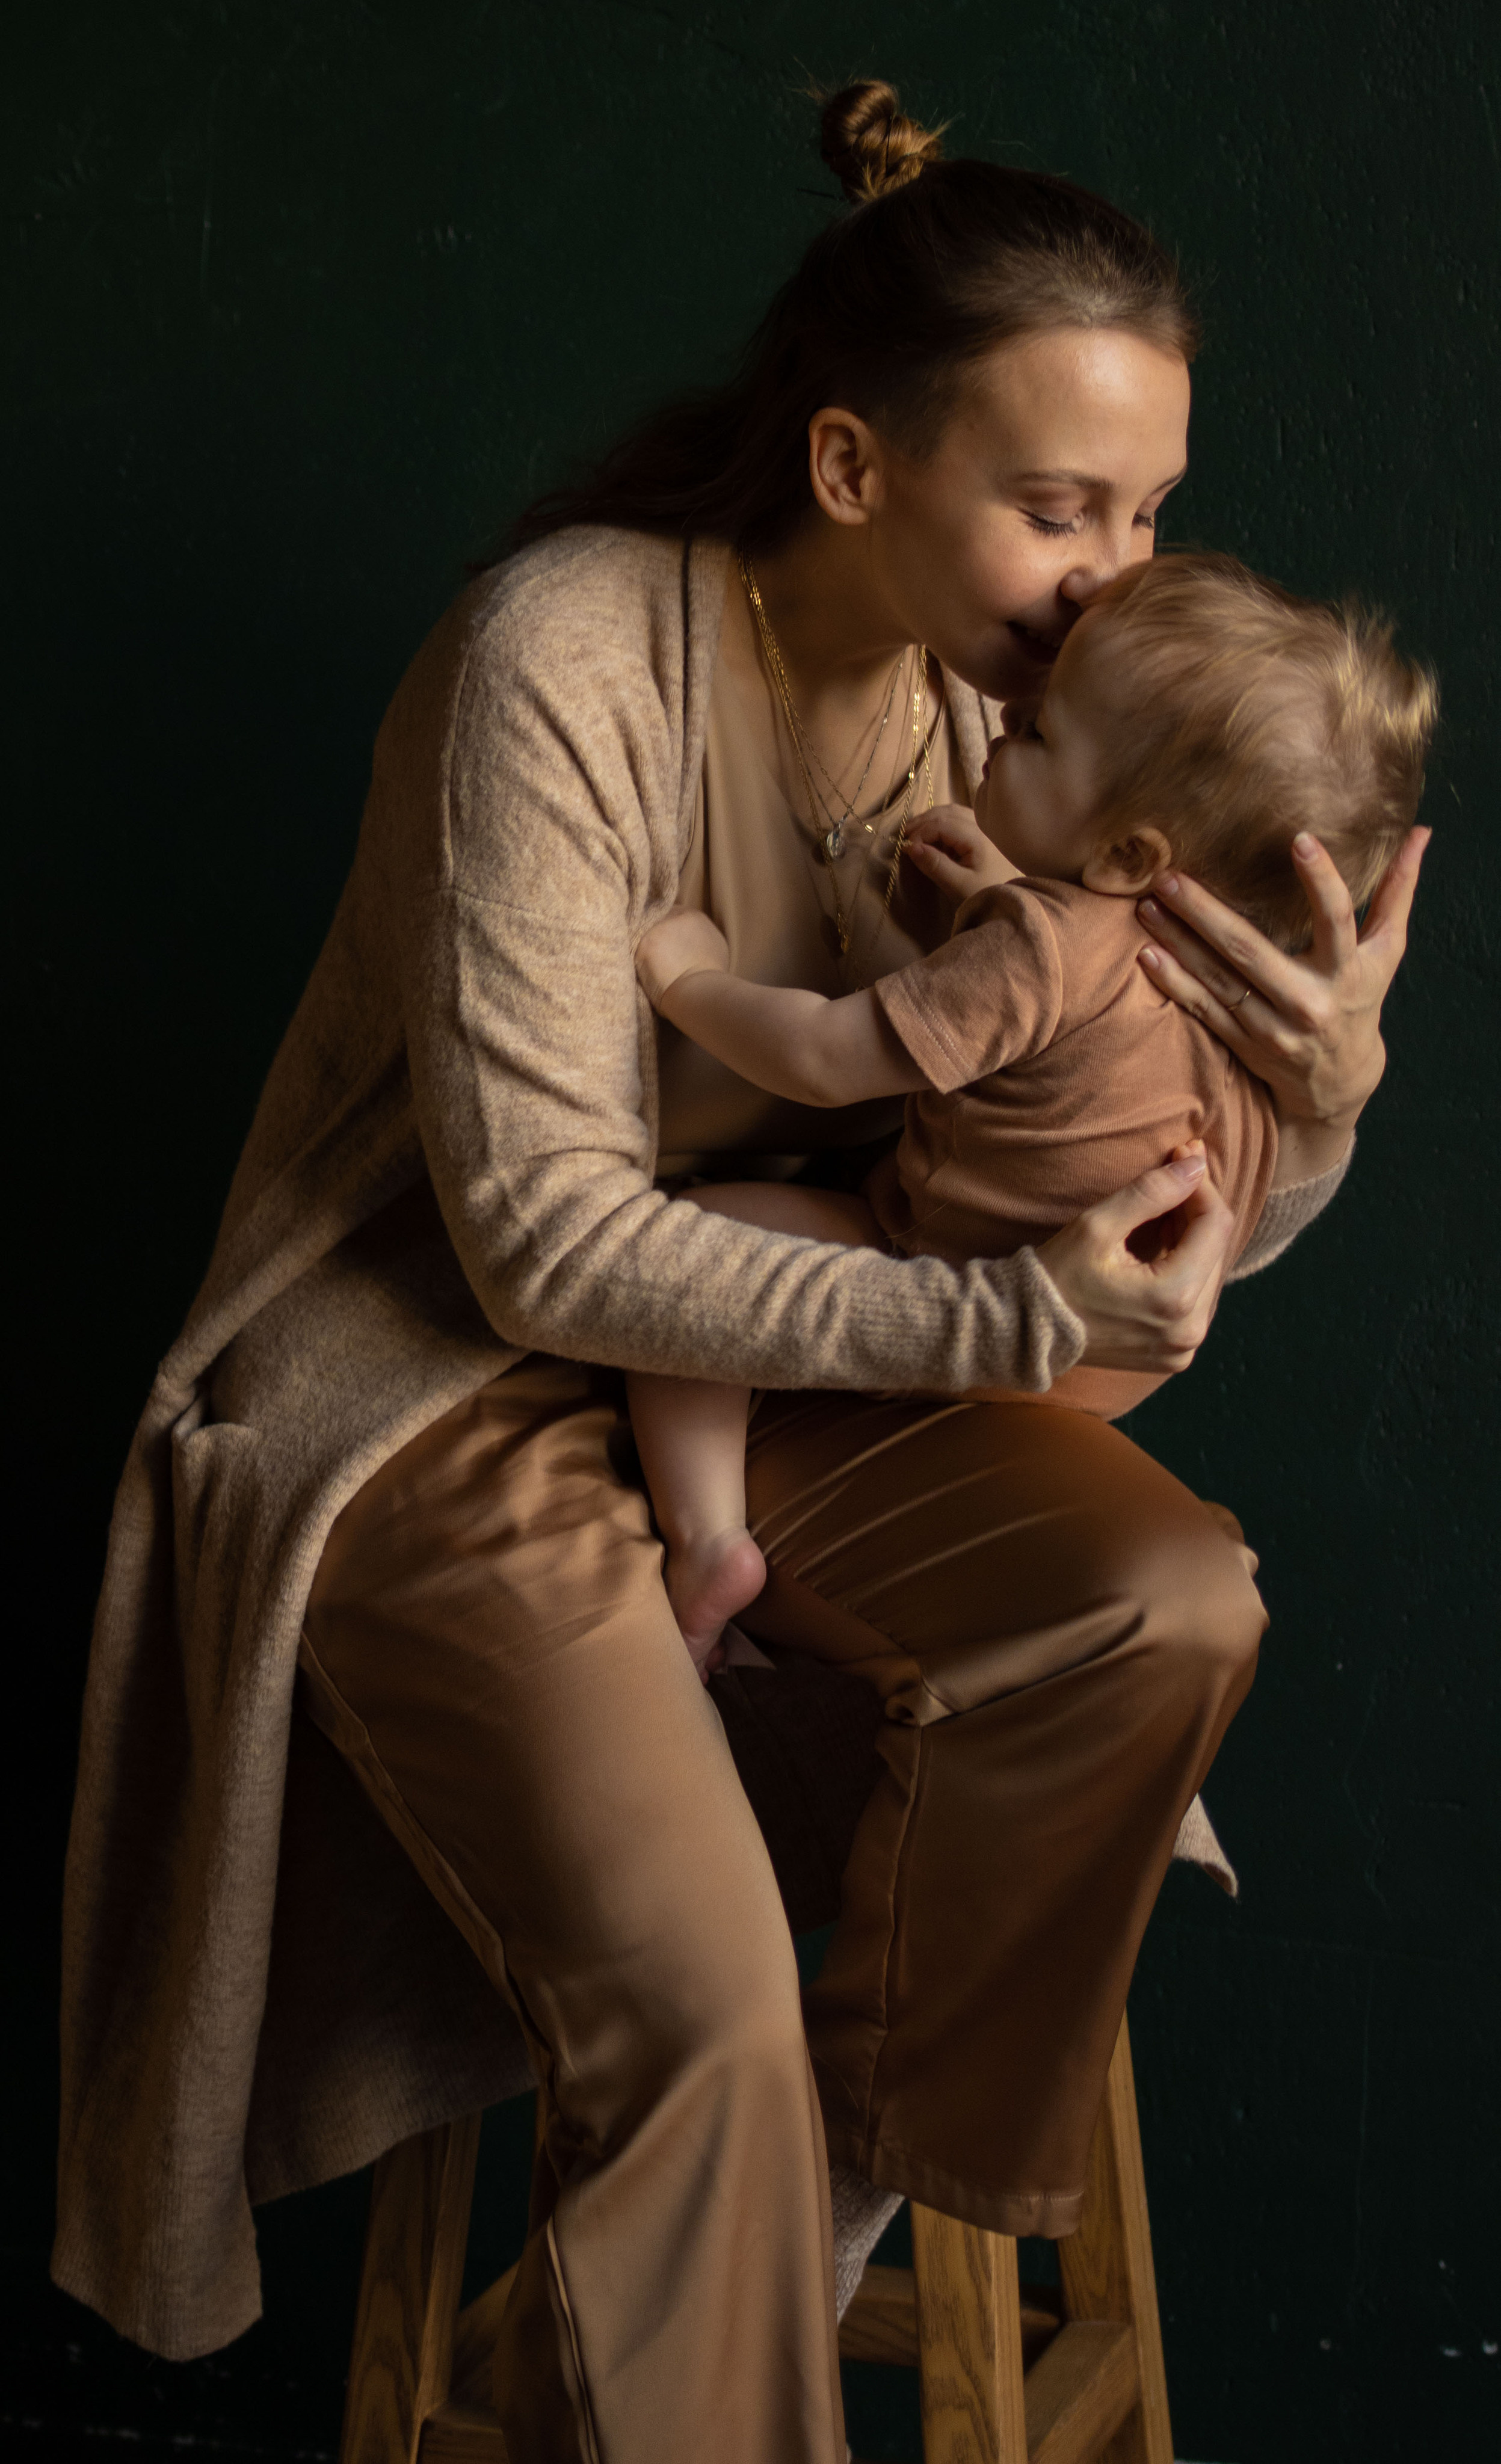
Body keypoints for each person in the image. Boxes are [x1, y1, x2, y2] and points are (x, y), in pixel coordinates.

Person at [54, 80, 1429, 2464]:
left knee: (1165, 1608)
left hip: (814, 1346)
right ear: (847, 468)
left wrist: (1314, 1101)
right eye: (1061, 505)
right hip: (447, 1386)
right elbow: (547, 1241)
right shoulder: (566, 656)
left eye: (1152, 512)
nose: (1122, 573)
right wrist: (1014, 1325)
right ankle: (706, 2303)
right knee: (702, 2012)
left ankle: (823, 2215)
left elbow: (1111, 1210)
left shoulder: (1056, 730)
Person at [625, 550, 1437, 1661]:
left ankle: (709, 1541)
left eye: (1043, 733)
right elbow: (1105, 1056)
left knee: (695, 1264)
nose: (1006, 720)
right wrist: (1000, 897)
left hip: (961, 1282)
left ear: (1131, 853)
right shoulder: (1239, 1012)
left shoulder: (1038, 953)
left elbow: (823, 1058)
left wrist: (690, 982)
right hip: (1119, 1359)